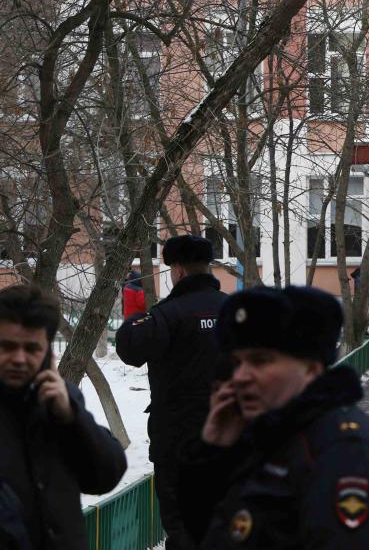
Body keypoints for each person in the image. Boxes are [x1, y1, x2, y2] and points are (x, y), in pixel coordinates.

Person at [177, 286, 369, 548]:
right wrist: (213, 454)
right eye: (238, 363)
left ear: (311, 368)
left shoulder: (347, 456)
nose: (241, 376)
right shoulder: (267, 436)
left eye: (260, 361)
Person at [115, 235, 228, 550]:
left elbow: (130, 349)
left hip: (179, 443)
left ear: (177, 270)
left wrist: (137, 317)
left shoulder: (167, 314)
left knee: (183, 528)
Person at [0, 285, 126, 550]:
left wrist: (72, 417)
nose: (19, 359)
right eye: (7, 347)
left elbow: (106, 476)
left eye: (32, 348)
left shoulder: (61, 401)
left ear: (48, 352)